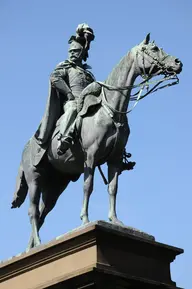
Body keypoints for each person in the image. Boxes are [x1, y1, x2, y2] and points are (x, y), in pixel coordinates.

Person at [34, 23, 95, 160]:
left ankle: (118, 153)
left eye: (75, 51)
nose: (72, 54)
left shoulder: (89, 74)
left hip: (88, 104)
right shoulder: (66, 67)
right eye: (70, 51)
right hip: (72, 101)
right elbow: (54, 77)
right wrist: (68, 93)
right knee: (73, 108)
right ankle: (64, 138)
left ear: (82, 53)